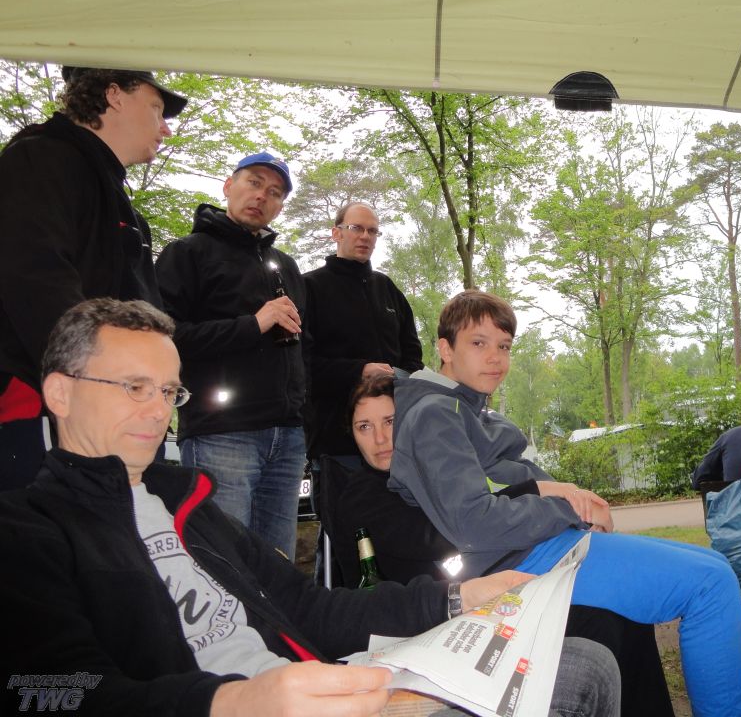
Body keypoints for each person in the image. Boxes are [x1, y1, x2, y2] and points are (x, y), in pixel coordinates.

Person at [0, 298, 620, 717]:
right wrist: (231, 703)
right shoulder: (29, 530)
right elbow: (40, 690)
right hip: (249, 705)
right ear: (60, 393)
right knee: (576, 678)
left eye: (168, 390)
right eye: (134, 387)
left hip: (328, 684)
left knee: (588, 662)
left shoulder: (188, 505)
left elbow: (310, 607)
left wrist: (457, 599)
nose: (159, 409)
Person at [388, 290, 741, 717]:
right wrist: (571, 510)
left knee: (712, 566)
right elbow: (473, 521)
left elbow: (509, 484)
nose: (495, 358)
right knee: (711, 584)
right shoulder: (435, 414)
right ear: (445, 349)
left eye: (504, 346)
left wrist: (570, 496)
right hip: (514, 561)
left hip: (536, 545)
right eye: (478, 343)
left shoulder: (468, 410)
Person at [322, 374, 674, 716]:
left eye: (389, 421)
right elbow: (449, 534)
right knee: (602, 623)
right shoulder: (362, 494)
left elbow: (485, 507)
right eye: (364, 427)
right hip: (427, 626)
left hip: (480, 602)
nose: (380, 438)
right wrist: (554, 502)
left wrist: (552, 498)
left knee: (622, 609)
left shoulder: (424, 474)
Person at [0, 66, 186, 490]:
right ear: (115, 95)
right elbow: (35, 279)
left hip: (119, 410)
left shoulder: (120, 203)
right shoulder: (39, 160)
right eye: (157, 109)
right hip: (49, 411)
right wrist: (93, 383)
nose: (166, 129)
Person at [155, 152, 307, 560]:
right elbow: (163, 339)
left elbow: (303, 348)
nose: (262, 196)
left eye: (275, 192)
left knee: (279, 566)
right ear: (228, 185)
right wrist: (253, 324)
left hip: (288, 436)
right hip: (222, 432)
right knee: (223, 564)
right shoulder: (187, 253)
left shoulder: (285, 266)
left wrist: (301, 412)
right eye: (254, 183)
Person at [303, 201, 424, 461]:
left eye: (373, 231)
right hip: (335, 442)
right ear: (336, 233)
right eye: (357, 228)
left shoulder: (387, 288)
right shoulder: (309, 287)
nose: (365, 236)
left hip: (397, 441)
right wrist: (359, 371)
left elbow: (413, 355)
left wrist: (403, 381)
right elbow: (302, 365)